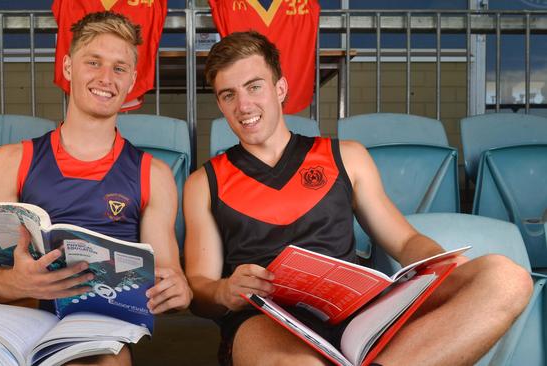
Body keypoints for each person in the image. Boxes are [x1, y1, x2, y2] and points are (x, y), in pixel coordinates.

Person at [183, 31, 533, 366]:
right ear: (219, 102)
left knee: (506, 278)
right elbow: (199, 291)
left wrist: (437, 263)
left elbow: (406, 240)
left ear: (280, 88)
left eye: (254, 86)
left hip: (360, 312)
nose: (243, 105)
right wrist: (226, 290)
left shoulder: (346, 156)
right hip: (265, 321)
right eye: (228, 94)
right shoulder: (204, 182)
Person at [0, 11, 191, 366]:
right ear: (67, 67)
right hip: (12, 316)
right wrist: (19, 283)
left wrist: (177, 291)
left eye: (119, 68)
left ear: (132, 81)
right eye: (93, 62)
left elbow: (167, 274)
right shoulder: (10, 160)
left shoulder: (152, 174)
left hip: (94, 329)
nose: (105, 78)